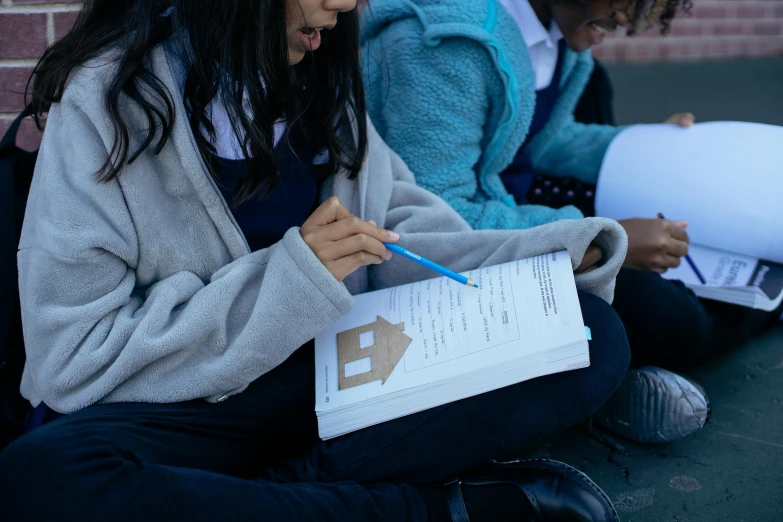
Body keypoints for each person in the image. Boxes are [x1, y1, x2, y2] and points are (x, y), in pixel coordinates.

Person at [0, 1, 634, 521]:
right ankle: (427, 509)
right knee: (40, 477)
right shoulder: (110, 100)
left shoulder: (321, 78)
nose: (347, 4)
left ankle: (270, 497)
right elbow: (72, 355)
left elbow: (400, 233)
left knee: (591, 332)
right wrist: (289, 278)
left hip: (332, 382)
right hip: (186, 410)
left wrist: (541, 258)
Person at [360, 0, 783, 444]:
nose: (627, 20)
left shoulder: (563, 29)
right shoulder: (444, 46)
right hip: (446, 256)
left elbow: (545, 141)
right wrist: (602, 240)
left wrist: (649, 146)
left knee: (687, 242)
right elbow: (437, 220)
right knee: (661, 313)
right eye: (626, 3)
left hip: (510, 208)